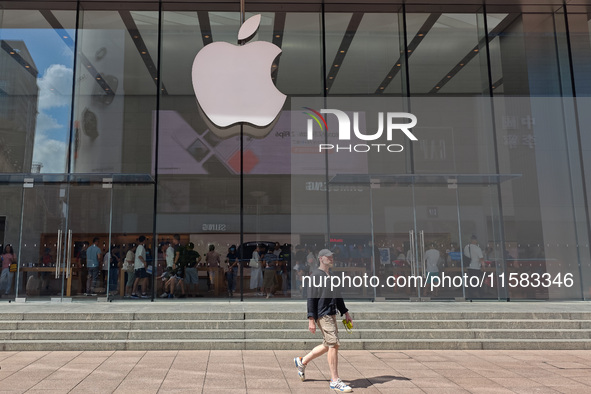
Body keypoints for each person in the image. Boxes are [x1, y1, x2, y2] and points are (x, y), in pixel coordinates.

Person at [294, 249, 353, 393]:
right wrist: (311, 319)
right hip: (322, 314)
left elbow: (337, 296)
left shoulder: (331, 275)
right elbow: (311, 298)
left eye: (332, 256)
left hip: (332, 313)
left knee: (328, 345)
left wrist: (345, 311)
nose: (331, 258)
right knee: (333, 344)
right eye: (328, 256)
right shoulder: (315, 276)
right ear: (321, 258)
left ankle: (302, 362)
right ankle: (335, 380)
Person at [464, 235, 485, 299]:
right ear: (476, 240)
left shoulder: (466, 247)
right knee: (476, 281)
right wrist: (483, 266)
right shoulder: (477, 248)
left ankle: (470, 294)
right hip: (476, 267)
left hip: (469, 266)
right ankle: (477, 293)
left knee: (470, 281)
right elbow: (481, 258)